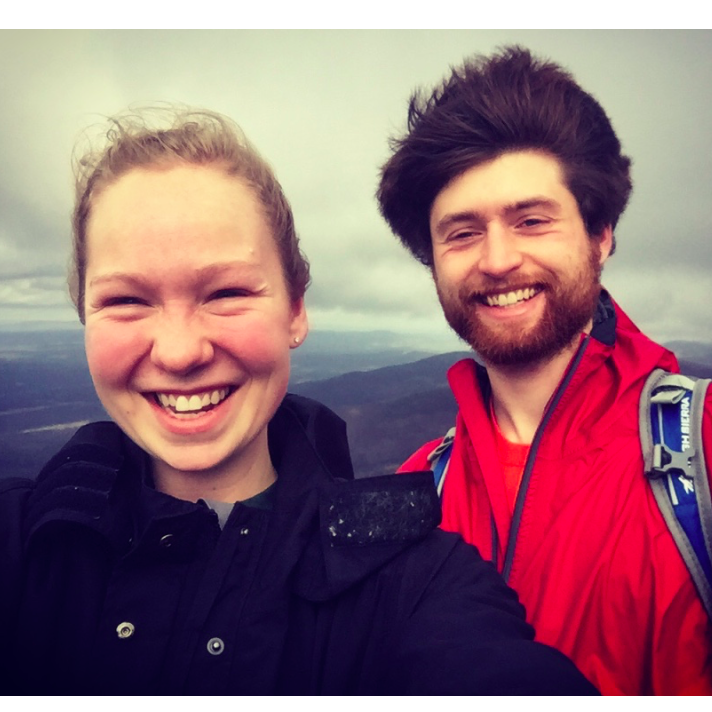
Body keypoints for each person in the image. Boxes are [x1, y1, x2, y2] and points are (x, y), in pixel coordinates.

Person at [0, 108, 596, 695]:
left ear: (295, 310)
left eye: (227, 292)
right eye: (127, 300)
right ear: (83, 314)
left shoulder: (417, 586)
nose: (180, 352)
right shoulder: (19, 552)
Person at [376, 46, 712, 695]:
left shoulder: (700, 457)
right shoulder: (416, 492)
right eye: (462, 232)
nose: (498, 259)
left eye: (531, 220)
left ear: (601, 234)